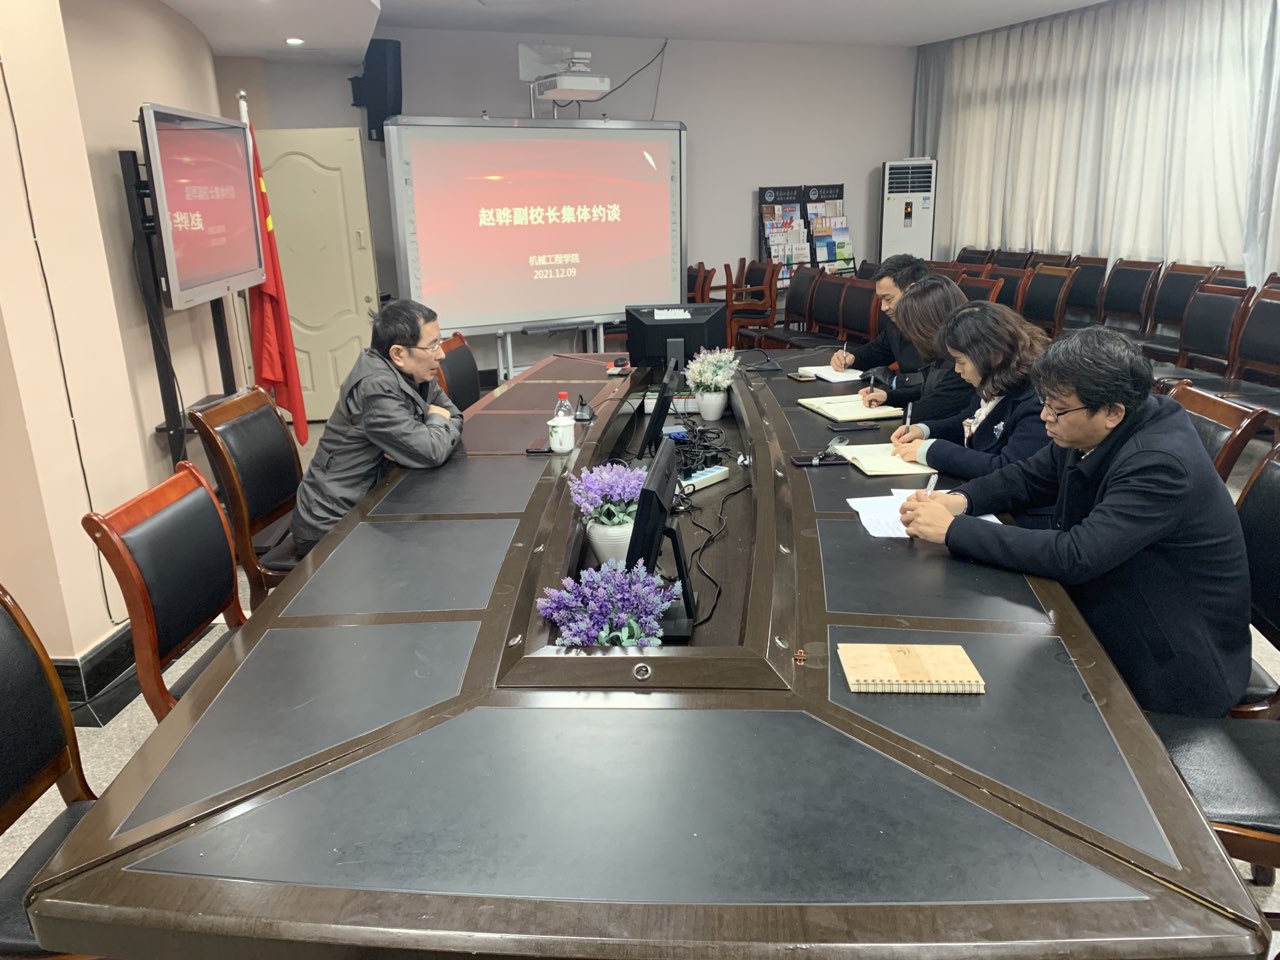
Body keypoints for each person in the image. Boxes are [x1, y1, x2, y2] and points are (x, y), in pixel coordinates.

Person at [899, 328, 1250, 717]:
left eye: (1058, 409)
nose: (1045, 417)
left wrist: (953, 531)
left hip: (1168, 660)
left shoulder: (1159, 465)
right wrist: (960, 501)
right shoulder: (1093, 426)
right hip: (1112, 609)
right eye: (1044, 403)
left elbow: (1077, 555)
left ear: (1112, 412)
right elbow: (1029, 477)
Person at [291, 299, 463, 555]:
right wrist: (435, 423)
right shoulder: (375, 388)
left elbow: (455, 415)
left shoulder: (417, 372)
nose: (441, 354)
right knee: (434, 550)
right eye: (432, 346)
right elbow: (432, 451)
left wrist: (426, 433)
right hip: (333, 523)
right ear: (398, 354)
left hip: (374, 499)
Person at [890, 301, 1052, 525]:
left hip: (1016, 519)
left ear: (993, 356)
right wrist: (924, 430)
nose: (957, 370)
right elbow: (969, 421)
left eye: (961, 362)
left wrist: (932, 450)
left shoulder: (1035, 401)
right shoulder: (995, 381)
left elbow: (1006, 469)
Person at [855, 275, 976, 421]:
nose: (911, 335)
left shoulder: (963, 365)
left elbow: (921, 413)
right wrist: (888, 396)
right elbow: (929, 389)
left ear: (928, 325)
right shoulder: (945, 354)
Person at [830, 254, 928, 377]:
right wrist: (852, 358)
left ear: (912, 291)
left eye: (888, 299)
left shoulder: (938, 329)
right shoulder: (896, 324)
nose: (883, 307)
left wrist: (892, 388)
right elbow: (877, 352)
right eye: (881, 299)